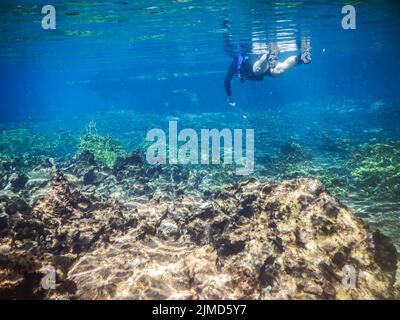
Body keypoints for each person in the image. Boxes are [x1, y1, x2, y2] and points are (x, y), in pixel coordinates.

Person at [224, 48, 312, 106]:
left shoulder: (237, 60)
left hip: (256, 67)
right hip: (264, 68)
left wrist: (229, 97)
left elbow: (226, 80)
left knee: (257, 70)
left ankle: (267, 56)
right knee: (279, 71)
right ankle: (301, 58)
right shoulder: (241, 62)